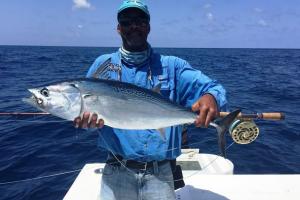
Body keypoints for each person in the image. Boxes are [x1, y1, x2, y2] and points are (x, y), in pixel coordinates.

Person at [74, 1, 227, 199]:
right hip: (116, 170)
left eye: (140, 21)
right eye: (127, 22)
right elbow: (93, 116)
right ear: (118, 28)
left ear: (149, 26)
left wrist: (211, 97)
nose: (134, 26)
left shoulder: (172, 66)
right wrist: (88, 124)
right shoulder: (103, 65)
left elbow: (214, 88)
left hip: (160, 174)